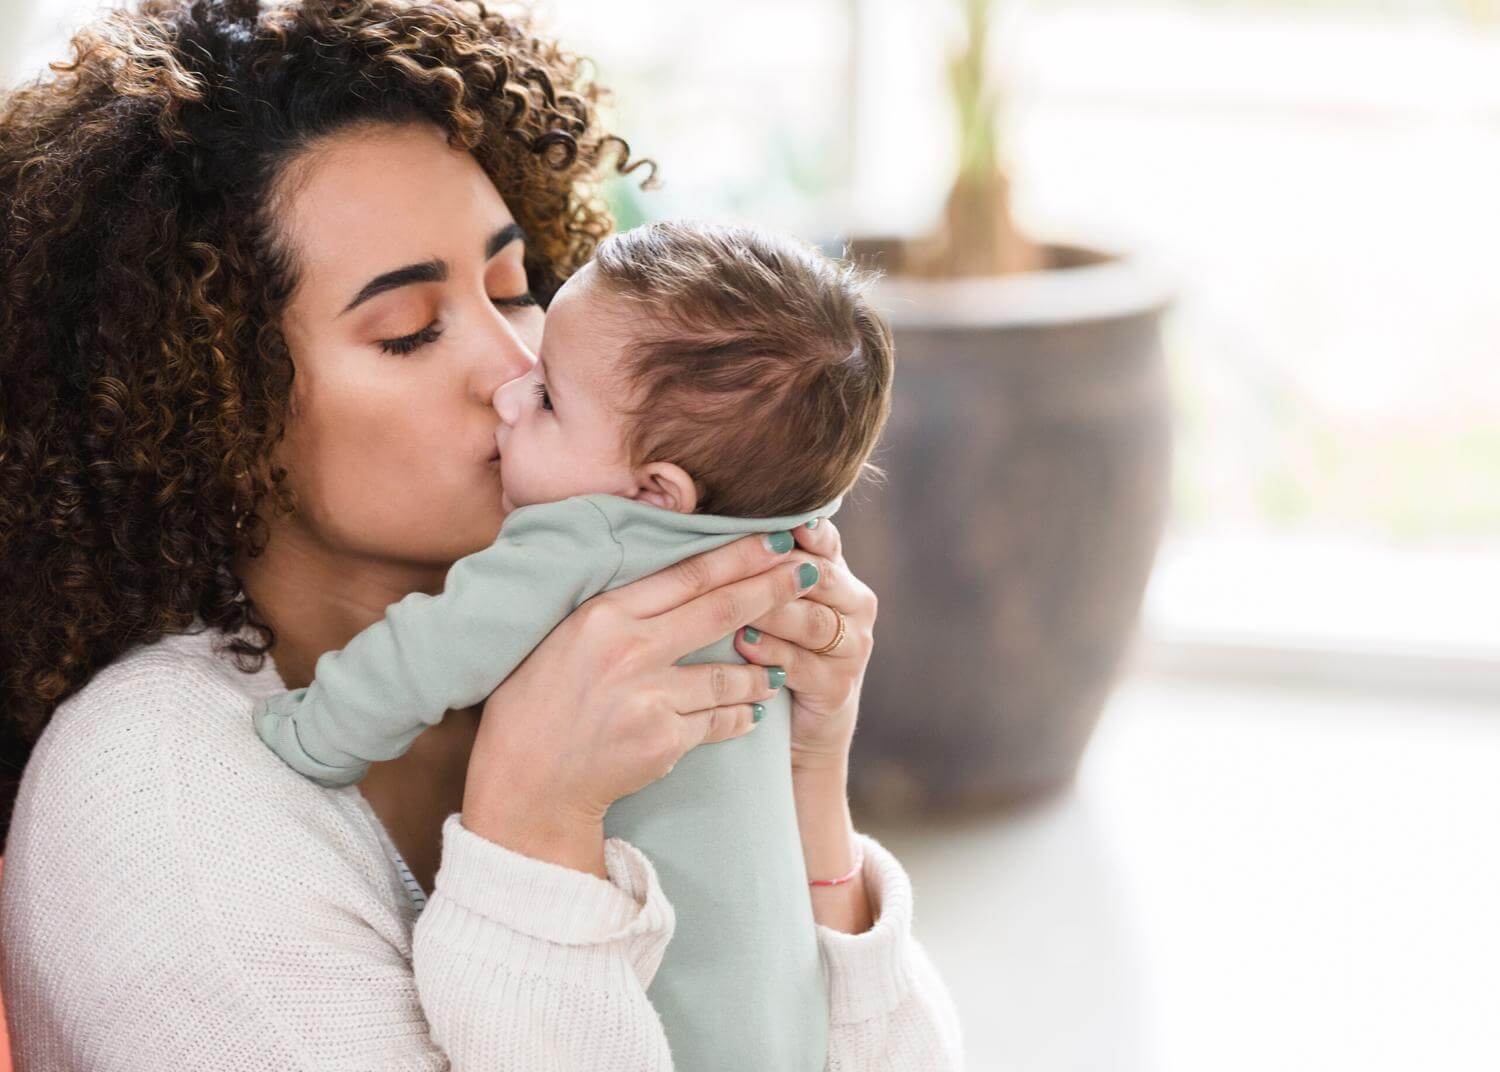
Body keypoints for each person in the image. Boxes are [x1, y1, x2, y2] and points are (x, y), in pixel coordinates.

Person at [0, 0, 967, 1068]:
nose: (519, 366)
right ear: (208, 397)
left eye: (516, 287)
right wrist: (531, 829)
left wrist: (806, 784)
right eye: (409, 332)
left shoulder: (607, 660)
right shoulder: (161, 795)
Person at [247, 218, 894, 1070]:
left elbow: (431, 652)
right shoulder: (796, 544)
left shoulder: (588, 538)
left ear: (657, 489)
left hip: (652, 1002)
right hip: (788, 1011)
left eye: (549, 396)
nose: (514, 387)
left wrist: (314, 733)